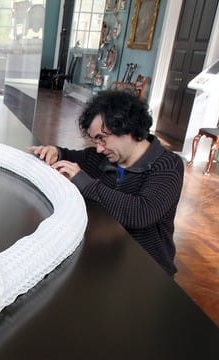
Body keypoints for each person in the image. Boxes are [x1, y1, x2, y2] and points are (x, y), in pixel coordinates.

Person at [28, 89, 184, 275]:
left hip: (147, 269)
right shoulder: (102, 158)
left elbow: (141, 212)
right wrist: (56, 152)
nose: (99, 149)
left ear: (128, 128)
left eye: (102, 139)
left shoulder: (168, 165)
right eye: (96, 141)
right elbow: (71, 156)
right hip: (106, 258)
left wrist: (86, 183)